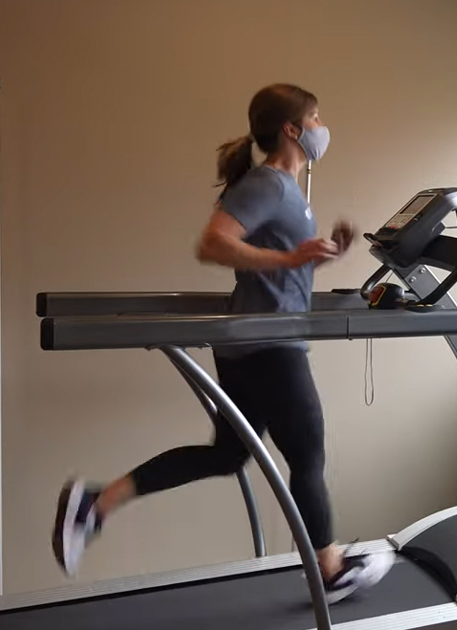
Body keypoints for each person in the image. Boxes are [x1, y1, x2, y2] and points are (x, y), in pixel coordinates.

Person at [52, 83, 393, 604]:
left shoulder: (288, 192)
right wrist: (291, 259)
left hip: (254, 342)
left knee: (228, 456)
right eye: (317, 117)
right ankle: (329, 568)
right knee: (307, 454)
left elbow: (277, 265)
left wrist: (318, 256)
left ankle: (95, 505)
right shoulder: (270, 185)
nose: (324, 127)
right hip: (269, 344)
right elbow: (214, 243)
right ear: (293, 129)